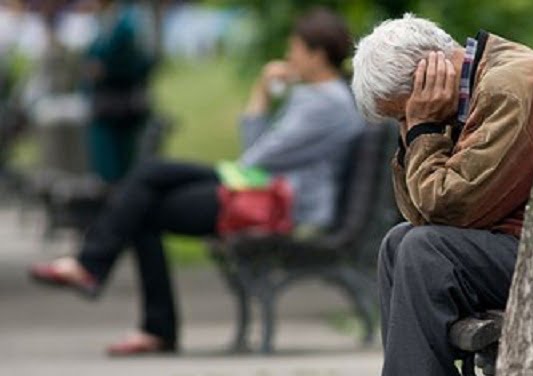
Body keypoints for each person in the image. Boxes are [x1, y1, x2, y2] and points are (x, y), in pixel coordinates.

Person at [309, 14, 533, 376]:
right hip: (526, 249)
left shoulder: (509, 89)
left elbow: (448, 207)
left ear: (429, 76)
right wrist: (422, 129)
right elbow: (422, 213)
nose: (407, 127)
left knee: (423, 249)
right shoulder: (475, 87)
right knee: (400, 243)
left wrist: (425, 129)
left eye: (403, 114)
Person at [29, 7, 364, 355]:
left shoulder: (324, 103)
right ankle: (98, 275)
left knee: (145, 194)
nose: (289, 56)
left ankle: (115, 289)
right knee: (147, 184)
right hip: (263, 189)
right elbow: (261, 158)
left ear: (317, 55)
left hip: (278, 203)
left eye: (295, 48)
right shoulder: (322, 97)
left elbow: (256, 156)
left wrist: (261, 92)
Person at [84, 0, 157, 183]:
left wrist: (107, 69)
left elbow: (143, 62)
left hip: (121, 105)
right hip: (104, 104)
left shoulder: (129, 21)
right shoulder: (103, 21)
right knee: (106, 163)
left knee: (123, 163)